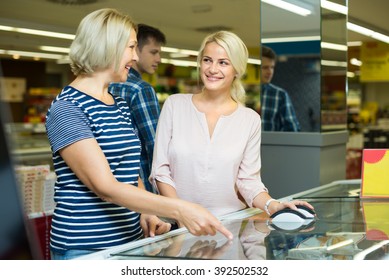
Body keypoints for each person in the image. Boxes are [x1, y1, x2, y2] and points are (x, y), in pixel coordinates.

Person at [45, 8, 232, 260]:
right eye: (131, 47)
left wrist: (146, 212)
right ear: (107, 46)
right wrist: (179, 209)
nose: (134, 57)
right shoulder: (67, 108)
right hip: (85, 248)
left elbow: (130, 170)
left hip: (129, 240)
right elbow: (105, 187)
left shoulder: (117, 102)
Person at [150, 31, 313, 224]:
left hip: (227, 226)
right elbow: (160, 170)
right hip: (177, 225)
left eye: (223, 62)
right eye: (207, 60)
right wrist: (182, 213)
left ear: (237, 69)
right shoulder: (174, 105)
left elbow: (248, 181)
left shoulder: (250, 119)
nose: (212, 69)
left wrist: (274, 205)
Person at [109, 24, 166, 194]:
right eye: (153, 52)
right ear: (135, 50)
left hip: (115, 187)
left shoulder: (106, 85)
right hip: (143, 190)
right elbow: (156, 146)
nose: (159, 59)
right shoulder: (141, 89)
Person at [260, 45, 301, 132]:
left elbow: (292, 129)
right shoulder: (238, 93)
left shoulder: (279, 95)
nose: (270, 72)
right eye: (265, 67)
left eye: (272, 67)